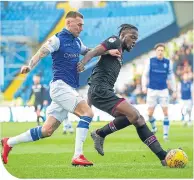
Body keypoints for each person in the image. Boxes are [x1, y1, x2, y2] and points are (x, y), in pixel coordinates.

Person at [1, 11, 121, 166]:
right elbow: (41, 52)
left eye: (82, 25)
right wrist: (29, 66)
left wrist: (107, 51)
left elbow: (89, 51)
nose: (81, 28)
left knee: (47, 131)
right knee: (87, 112)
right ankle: (78, 155)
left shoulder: (77, 41)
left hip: (67, 89)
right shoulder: (57, 39)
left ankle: (8, 142)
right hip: (60, 87)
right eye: (79, 25)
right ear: (68, 23)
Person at [77, 24, 168, 166]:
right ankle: (100, 134)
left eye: (136, 39)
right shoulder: (115, 41)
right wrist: (82, 63)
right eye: (132, 37)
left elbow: (99, 68)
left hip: (102, 91)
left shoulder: (118, 53)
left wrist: (89, 102)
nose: (134, 41)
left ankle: (163, 156)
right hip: (100, 90)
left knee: (139, 119)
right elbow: (94, 51)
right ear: (123, 34)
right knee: (134, 115)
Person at [141, 43, 177, 140]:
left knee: (165, 112)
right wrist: (144, 86)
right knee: (149, 114)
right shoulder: (150, 61)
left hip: (163, 90)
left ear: (164, 52)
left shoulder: (168, 62)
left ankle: (165, 136)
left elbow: (171, 77)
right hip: (152, 90)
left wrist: (174, 90)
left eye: (162, 50)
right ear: (155, 51)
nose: (160, 52)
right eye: (158, 50)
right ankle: (154, 127)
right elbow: (145, 75)